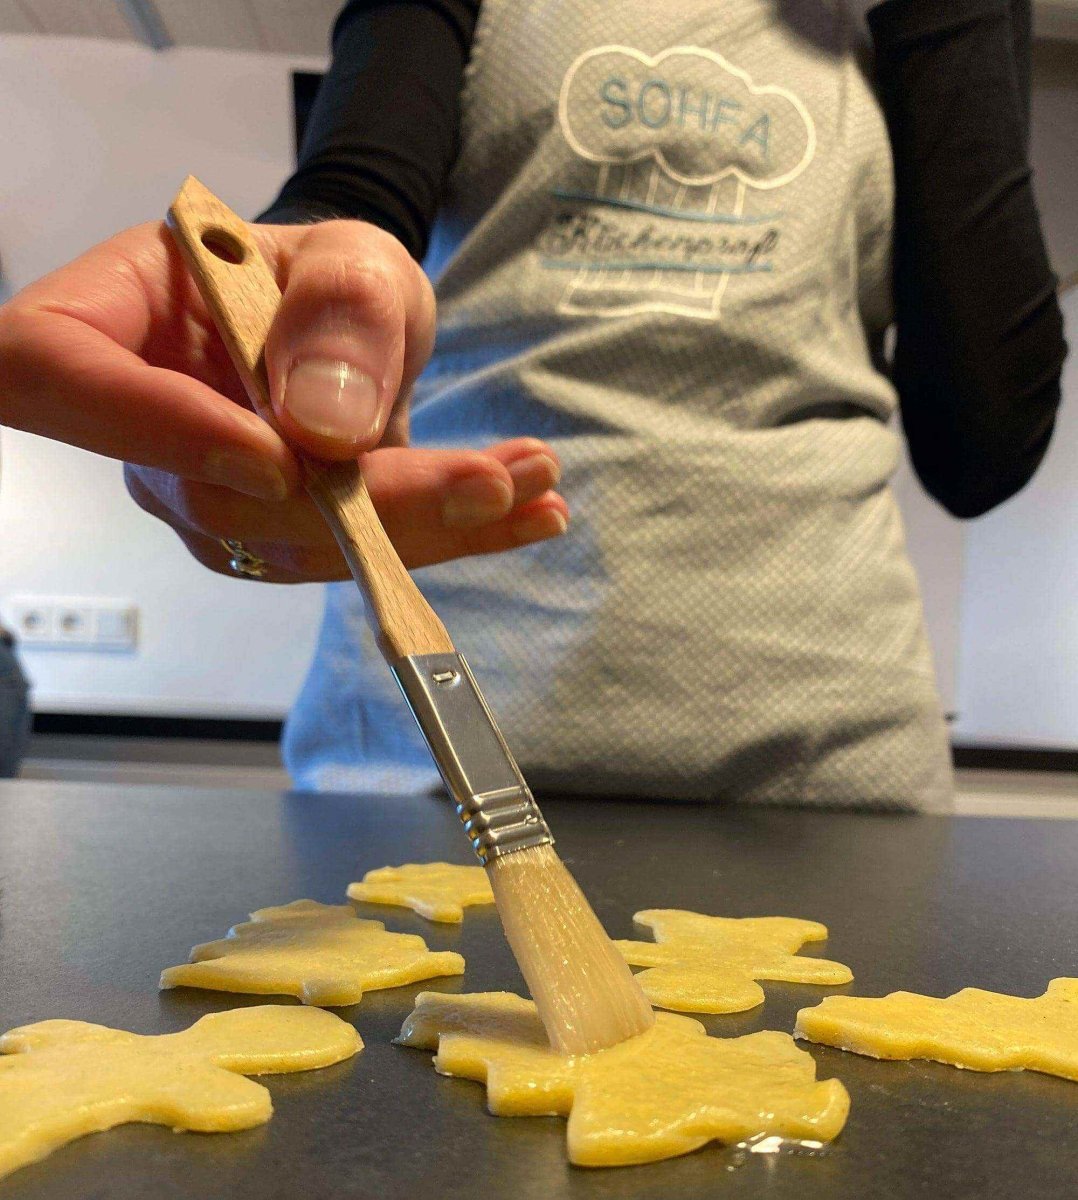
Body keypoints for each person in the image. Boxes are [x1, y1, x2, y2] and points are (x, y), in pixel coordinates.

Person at [0, 0, 1066, 808]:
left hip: (834, 775)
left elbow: (984, 447)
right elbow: (353, 196)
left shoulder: (908, 26)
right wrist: (295, 301)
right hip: (430, 765)